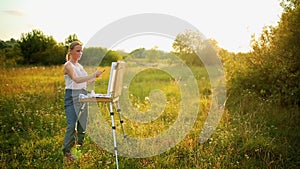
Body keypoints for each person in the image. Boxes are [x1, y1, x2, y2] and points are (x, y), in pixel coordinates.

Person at [62, 41, 103, 160]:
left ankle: (77, 150)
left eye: (81, 51)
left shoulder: (80, 66)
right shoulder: (68, 65)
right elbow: (76, 79)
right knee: (71, 125)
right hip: (72, 96)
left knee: (82, 125)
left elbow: (85, 82)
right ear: (71, 51)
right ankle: (66, 151)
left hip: (83, 95)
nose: (80, 53)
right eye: (78, 51)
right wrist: (92, 75)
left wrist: (94, 77)